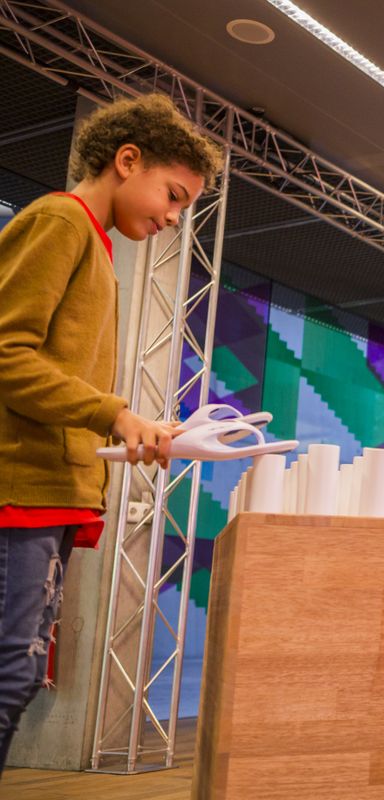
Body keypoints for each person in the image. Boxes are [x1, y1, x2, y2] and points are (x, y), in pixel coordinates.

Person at [0, 93, 223, 774]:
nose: (174, 217)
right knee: (9, 675)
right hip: (19, 491)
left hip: (50, 494)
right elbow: (7, 354)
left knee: (16, 673)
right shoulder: (61, 220)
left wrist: (134, 425)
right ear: (127, 161)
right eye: (174, 194)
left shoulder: (94, 244)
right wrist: (117, 414)